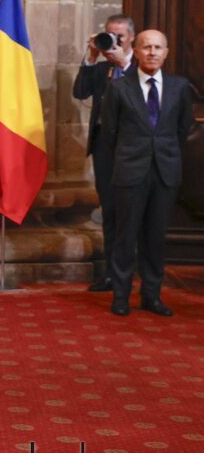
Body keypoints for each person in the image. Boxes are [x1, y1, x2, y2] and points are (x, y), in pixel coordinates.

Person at [102, 29, 194, 317]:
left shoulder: (180, 87)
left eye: (158, 47)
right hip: (130, 172)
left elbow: (183, 128)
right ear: (136, 51)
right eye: (147, 47)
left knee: (155, 237)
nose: (152, 52)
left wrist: (163, 152)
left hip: (165, 173)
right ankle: (120, 296)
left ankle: (151, 296)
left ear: (166, 52)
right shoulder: (119, 87)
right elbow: (110, 132)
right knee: (125, 236)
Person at [72, 15, 136, 292]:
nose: (114, 41)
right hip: (104, 149)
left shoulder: (141, 67)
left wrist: (125, 65)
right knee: (109, 211)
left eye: (119, 36)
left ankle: (131, 272)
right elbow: (79, 91)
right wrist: (91, 57)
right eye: (109, 34)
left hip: (134, 151)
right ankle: (111, 272)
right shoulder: (101, 70)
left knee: (130, 212)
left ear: (132, 37)